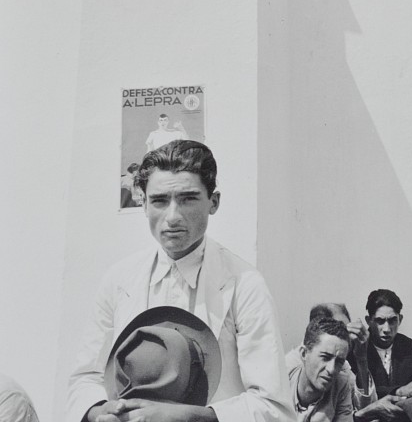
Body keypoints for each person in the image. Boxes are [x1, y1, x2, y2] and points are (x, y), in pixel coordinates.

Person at [67, 140, 292, 422]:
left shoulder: (244, 285)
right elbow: (85, 378)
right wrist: (101, 411)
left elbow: (274, 408)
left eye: (188, 199)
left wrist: (190, 417)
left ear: (214, 202)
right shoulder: (119, 280)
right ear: (144, 204)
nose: (173, 217)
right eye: (160, 200)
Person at [308, 304, 376, 412]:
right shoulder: (300, 365)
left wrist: (361, 357)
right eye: (340, 329)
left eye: (348, 329)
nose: (350, 336)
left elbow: (368, 407)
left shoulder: (344, 364)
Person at [364, 289, 412, 401]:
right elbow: (357, 390)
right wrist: (399, 391)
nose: (387, 329)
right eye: (380, 321)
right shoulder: (358, 349)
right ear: (368, 321)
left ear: (400, 319)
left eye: (392, 320)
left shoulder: (411, 348)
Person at [286, 317, 354, 422]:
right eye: (325, 357)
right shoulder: (279, 381)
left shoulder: (341, 385)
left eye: (339, 362)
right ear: (304, 353)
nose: (331, 369)